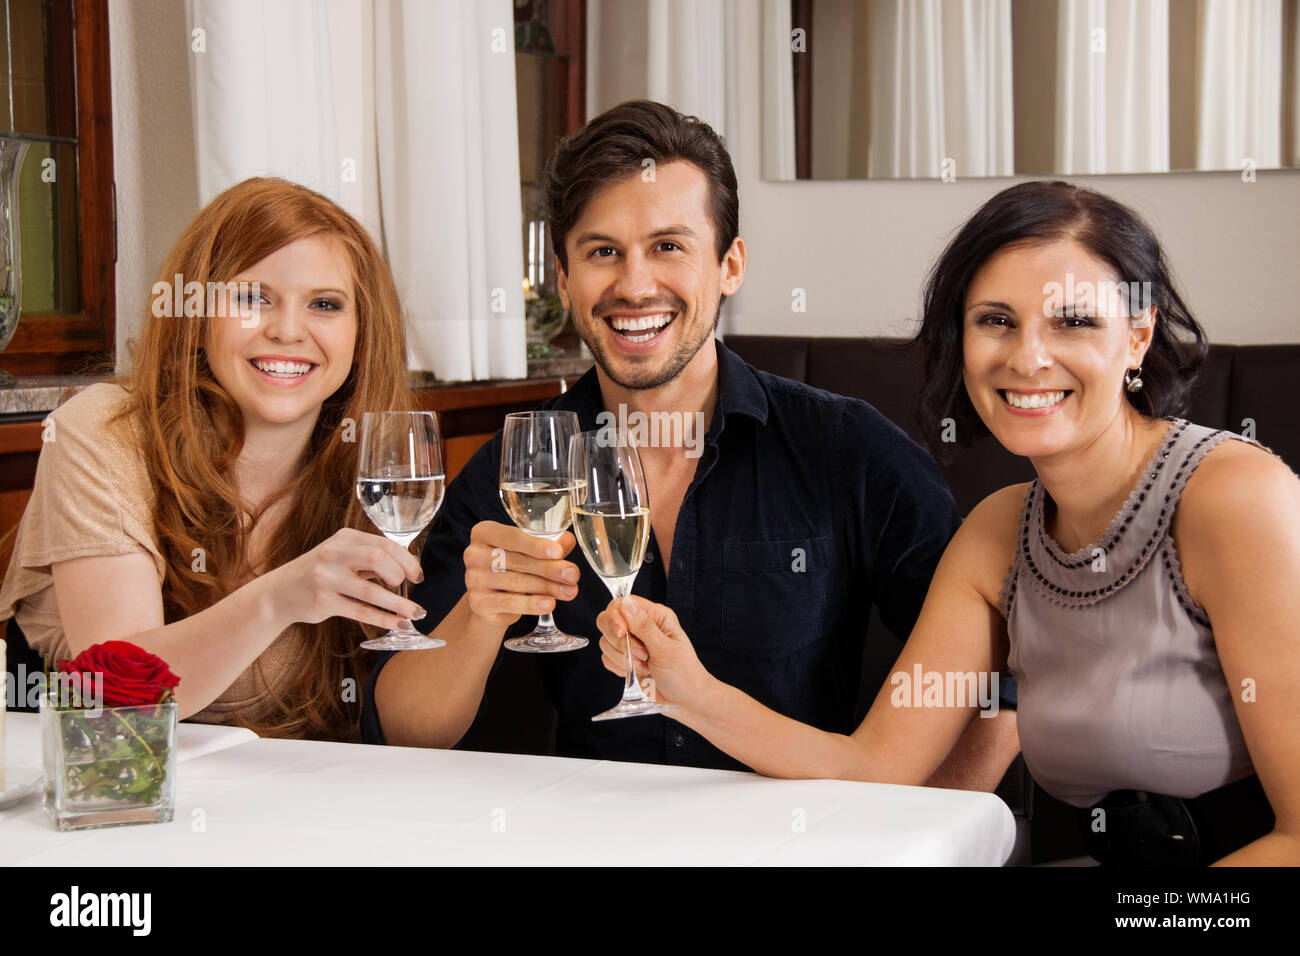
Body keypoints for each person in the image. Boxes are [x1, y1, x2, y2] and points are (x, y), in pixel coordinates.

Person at [594, 181, 1300, 865]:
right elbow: (875, 768)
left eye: (1074, 321)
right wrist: (686, 691)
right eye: (996, 320)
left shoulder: (1233, 499)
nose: (1028, 357)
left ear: (1138, 336)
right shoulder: (998, 536)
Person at [364, 100, 1021, 788]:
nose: (634, 285)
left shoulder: (848, 450)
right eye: (602, 253)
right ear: (564, 279)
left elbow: (994, 688)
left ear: (729, 265)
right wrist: (479, 614)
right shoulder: (517, 467)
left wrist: (917, 844)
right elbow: (407, 733)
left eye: (668, 246)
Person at [0, 177, 430, 741]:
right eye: (252, 298)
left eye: (325, 304)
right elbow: (122, 701)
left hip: (304, 797)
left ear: (362, 330)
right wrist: (280, 597)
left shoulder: (380, 462)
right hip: (117, 793)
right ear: (197, 313)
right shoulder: (101, 432)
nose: (287, 330)